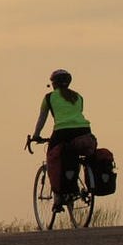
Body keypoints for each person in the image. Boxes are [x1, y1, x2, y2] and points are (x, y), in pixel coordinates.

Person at [30, 69, 97, 211]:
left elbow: (42, 118)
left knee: (52, 158)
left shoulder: (49, 97)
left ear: (53, 84)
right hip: (84, 130)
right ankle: (75, 188)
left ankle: (58, 197)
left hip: (62, 131)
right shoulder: (78, 97)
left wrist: (36, 135)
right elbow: (76, 114)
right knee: (73, 155)